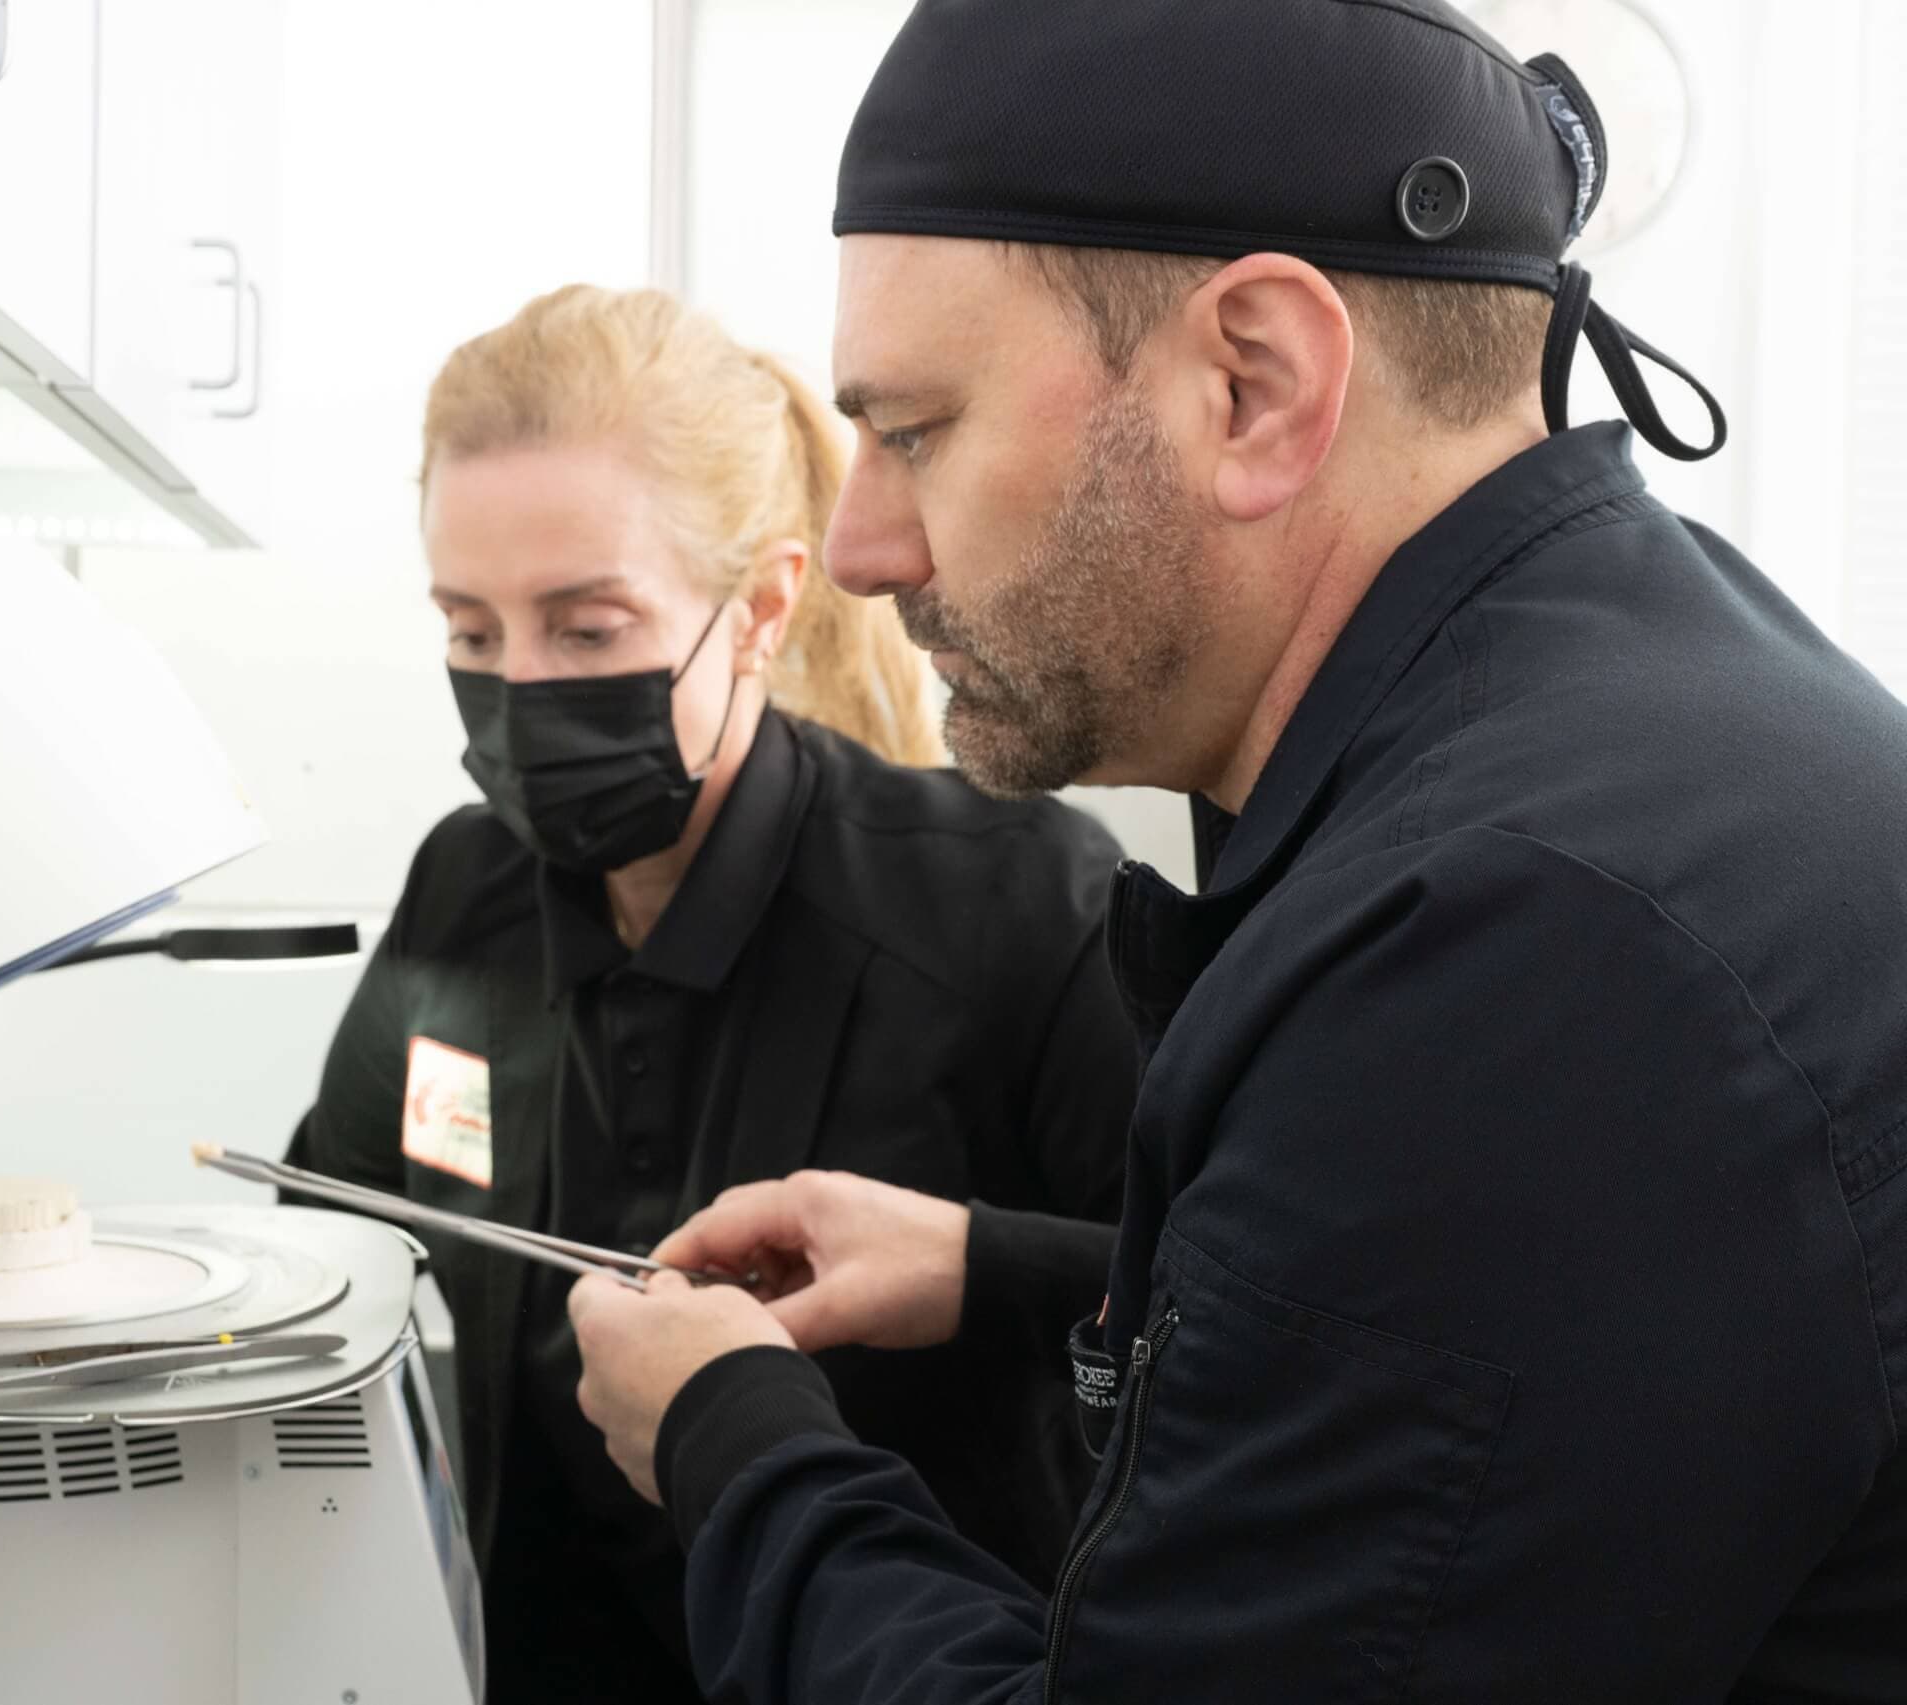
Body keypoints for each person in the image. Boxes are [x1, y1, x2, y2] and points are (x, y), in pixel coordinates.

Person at [565, 3, 1907, 1700]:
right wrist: (1007, 1277)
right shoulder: (1641, 721)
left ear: (1254, 384)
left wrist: (734, 1445)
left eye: (914, 430)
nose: (858, 547)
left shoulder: (1519, 955)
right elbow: (1495, 1360)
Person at [283, 285, 1140, 1703]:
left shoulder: (1014, 905)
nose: (517, 693)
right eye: (471, 632)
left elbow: (1221, 1324)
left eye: (588, 626)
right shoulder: (465, 890)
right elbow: (341, 1234)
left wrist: (982, 1268)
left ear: (760, 606)